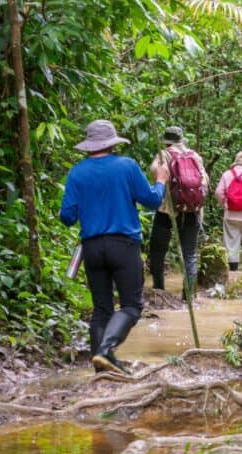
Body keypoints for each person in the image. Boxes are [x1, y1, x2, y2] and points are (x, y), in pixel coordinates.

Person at [60, 119, 168, 374]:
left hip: (92, 248)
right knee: (131, 305)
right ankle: (106, 351)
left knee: (101, 309)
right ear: (112, 143)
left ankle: (102, 369)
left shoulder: (77, 172)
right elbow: (152, 201)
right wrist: (161, 179)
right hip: (123, 245)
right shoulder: (127, 166)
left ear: (89, 146)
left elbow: (67, 217)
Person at [148, 126, 209, 298]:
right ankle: (188, 296)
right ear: (181, 140)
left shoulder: (164, 154)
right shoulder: (195, 156)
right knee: (189, 254)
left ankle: (159, 291)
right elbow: (205, 180)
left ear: (166, 141)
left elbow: (155, 172)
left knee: (158, 251)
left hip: (166, 211)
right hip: (192, 211)